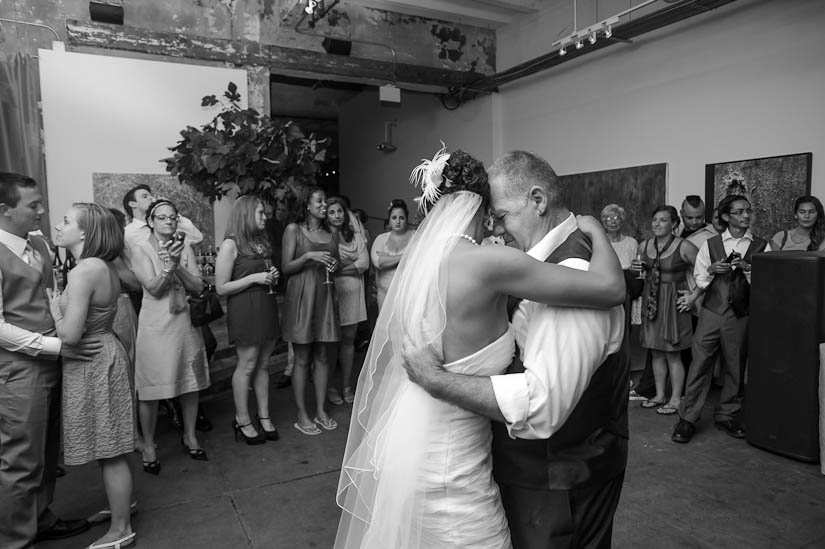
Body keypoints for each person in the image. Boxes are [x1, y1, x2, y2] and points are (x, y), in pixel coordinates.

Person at [335, 148, 626, 548]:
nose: (498, 224)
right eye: (495, 212)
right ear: (477, 205)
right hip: (453, 461)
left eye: (502, 214)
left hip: (410, 440)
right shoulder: (490, 262)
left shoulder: (420, 266)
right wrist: (594, 229)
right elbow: (611, 288)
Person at [0, 172, 97, 548]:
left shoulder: (38, 244)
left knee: (46, 453)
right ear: (5, 211)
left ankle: (41, 518)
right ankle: (14, 539)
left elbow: (50, 294)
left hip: (53, 361)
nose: (42, 212)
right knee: (20, 460)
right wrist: (58, 346)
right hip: (17, 372)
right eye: (33, 206)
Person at [50, 203, 137, 549]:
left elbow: (70, 336)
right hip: (106, 353)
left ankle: (121, 530)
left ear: (85, 232)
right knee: (110, 446)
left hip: (94, 359)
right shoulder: (102, 265)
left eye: (66, 221)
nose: (58, 225)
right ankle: (122, 507)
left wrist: (54, 306)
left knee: (111, 449)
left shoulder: (83, 271)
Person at [672, 194, 770, 444]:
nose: (746, 215)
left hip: (741, 314)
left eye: (748, 211)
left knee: (735, 366)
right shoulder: (711, 244)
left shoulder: (762, 246)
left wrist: (748, 269)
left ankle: (727, 414)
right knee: (699, 364)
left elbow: (770, 284)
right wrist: (712, 270)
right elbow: (700, 278)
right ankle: (687, 418)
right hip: (711, 312)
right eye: (739, 212)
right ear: (726, 217)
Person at [132, 199, 211, 471]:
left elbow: (198, 285)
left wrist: (177, 264)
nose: (169, 222)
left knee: (189, 383)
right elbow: (153, 288)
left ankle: (189, 435)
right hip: (155, 325)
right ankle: (150, 444)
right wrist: (169, 266)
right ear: (151, 222)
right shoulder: (140, 250)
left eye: (173, 218)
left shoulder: (185, 247)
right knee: (151, 388)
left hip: (184, 322)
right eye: (162, 217)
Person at [215, 196, 281, 445]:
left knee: (263, 363)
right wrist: (255, 278)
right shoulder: (230, 245)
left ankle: (263, 415)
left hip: (266, 304)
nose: (265, 217)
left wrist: (271, 276)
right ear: (245, 215)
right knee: (247, 364)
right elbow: (221, 287)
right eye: (260, 213)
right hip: (244, 307)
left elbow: (262, 274)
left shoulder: (261, 243)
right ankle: (242, 419)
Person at [282, 186, 341, 435]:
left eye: (325, 200)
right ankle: (302, 413)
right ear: (307, 204)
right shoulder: (294, 230)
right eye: (320, 200)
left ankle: (320, 410)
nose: (324, 204)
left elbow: (335, 265)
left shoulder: (331, 233)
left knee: (324, 356)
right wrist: (308, 258)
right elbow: (285, 267)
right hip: (302, 296)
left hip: (325, 295)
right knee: (302, 358)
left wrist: (334, 264)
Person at [631, 206, 699, 415]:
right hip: (652, 301)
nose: (657, 224)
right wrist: (638, 270)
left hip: (673, 302)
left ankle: (676, 399)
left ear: (674, 224)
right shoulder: (645, 245)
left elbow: (706, 273)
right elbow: (641, 272)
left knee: (673, 354)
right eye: (654, 220)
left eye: (663, 220)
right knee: (656, 352)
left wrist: (693, 296)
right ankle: (660, 395)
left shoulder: (684, 246)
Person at [326, 196, 369, 405]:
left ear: (346, 214)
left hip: (353, 294)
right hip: (331, 294)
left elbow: (365, 262)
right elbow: (327, 265)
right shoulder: (324, 236)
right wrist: (350, 267)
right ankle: (331, 387)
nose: (336, 216)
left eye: (340, 211)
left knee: (348, 342)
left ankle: (346, 386)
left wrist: (341, 268)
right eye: (332, 212)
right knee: (331, 343)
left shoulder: (355, 236)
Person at [370, 199, 413, 310]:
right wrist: (405, 256)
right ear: (389, 220)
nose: (398, 221)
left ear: (407, 219)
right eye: (394, 218)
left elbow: (420, 261)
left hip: (409, 295)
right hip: (385, 294)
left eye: (401, 218)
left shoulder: (416, 237)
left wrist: (389, 258)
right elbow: (379, 262)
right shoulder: (381, 239)